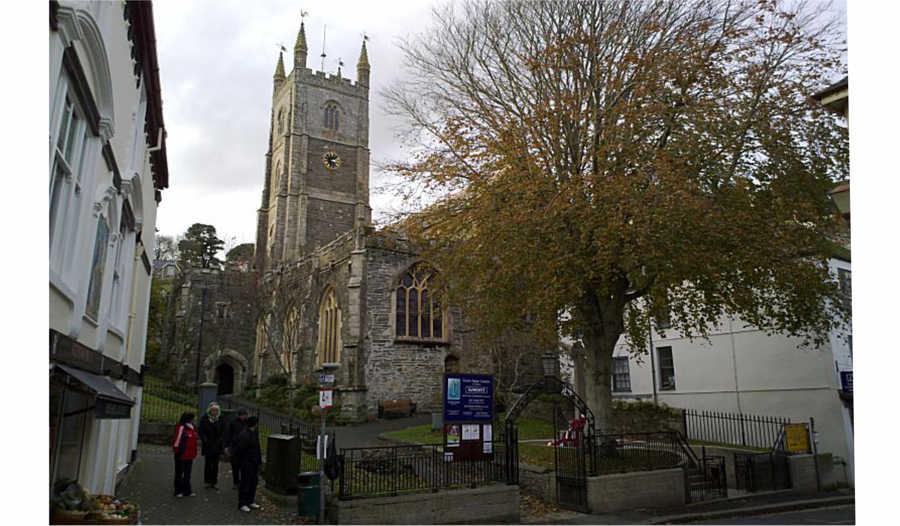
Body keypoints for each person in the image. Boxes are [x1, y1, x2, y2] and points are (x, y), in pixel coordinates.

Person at [232, 416, 262, 512]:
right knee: (245, 483)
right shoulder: (245, 435)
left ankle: (250, 500)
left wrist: (258, 461)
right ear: (254, 424)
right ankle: (242, 503)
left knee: (253, 482)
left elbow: (257, 449)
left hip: (253, 462)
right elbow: (239, 450)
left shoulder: (252, 434)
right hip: (247, 463)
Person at [198, 401, 225, 490]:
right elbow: (201, 431)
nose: (214, 412)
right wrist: (205, 440)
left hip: (217, 445)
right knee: (208, 464)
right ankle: (208, 481)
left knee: (216, 464)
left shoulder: (220, 419)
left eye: (216, 410)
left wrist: (220, 441)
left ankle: (214, 482)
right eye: (213, 410)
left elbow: (223, 431)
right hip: (208, 445)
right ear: (210, 411)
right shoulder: (204, 419)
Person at [172, 412, 199, 498]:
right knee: (179, 473)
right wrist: (177, 451)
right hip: (181, 454)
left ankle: (187, 490)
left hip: (190, 454)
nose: (193, 420)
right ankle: (178, 491)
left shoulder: (192, 427)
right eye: (192, 418)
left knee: (187, 473)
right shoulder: (181, 427)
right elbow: (177, 440)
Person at [223, 407, 249, 489]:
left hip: (244, 447)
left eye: (245, 415)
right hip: (234, 447)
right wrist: (226, 446)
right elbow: (228, 435)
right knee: (235, 466)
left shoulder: (247, 423)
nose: (245, 417)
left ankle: (243, 482)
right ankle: (236, 482)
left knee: (243, 466)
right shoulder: (233, 423)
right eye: (243, 415)